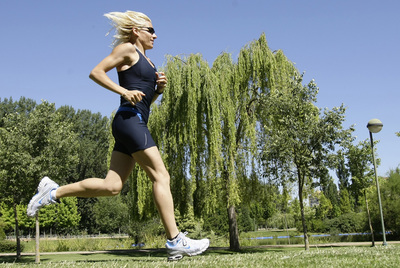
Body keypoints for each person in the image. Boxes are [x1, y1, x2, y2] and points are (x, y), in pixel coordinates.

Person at [27, 10, 209, 261]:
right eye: (151, 30)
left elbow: (144, 101)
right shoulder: (128, 50)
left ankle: (53, 192)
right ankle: (175, 240)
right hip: (129, 120)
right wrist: (124, 91)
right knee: (161, 175)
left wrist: (157, 91)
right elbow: (97, 72)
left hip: (133, 120)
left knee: (112, 186)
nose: (156, 35)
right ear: (137, 31)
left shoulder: (149, 62)